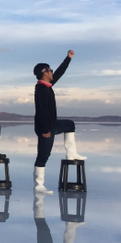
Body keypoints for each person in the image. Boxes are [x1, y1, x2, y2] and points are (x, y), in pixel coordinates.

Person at [33, 50, 86, 194]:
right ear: (44, 73)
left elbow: (59, 73)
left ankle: (71, 153)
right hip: (45, 128)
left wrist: (68, 58)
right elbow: (41, 111)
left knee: (70, 125)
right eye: (50, 70)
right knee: (43, 156)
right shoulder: (41, 90)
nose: (52, 72)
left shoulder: (47, 85)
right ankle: (38, 185)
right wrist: (45, 131)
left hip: (53, 125)